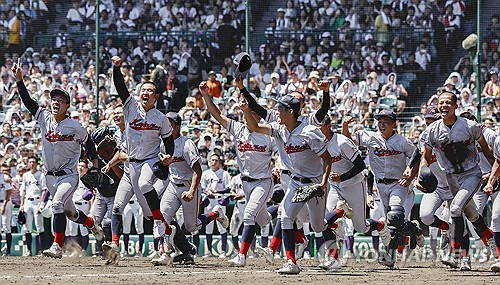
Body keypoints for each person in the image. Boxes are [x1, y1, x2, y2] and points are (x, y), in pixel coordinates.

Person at [12, 58, 103, 259]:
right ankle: (91, 224)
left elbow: (88, 143)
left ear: (67, 106)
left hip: (69, 176)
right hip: (50, 177)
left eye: (60, 100)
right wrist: (19, 80)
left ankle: (56, 246)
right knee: (70, 212)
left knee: (56, 205)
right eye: (54, 99)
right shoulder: (44, 117)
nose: (55, 102)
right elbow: (28, 102)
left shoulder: (75, 126)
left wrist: (94, 166)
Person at [243, 94, 332, 275]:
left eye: (280, 109)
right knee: (285, 216)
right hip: (295, 181)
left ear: (290, 112)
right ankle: (291, 262)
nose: (276, 111)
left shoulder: (310, 131)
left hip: (314, 184)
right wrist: (246, 111)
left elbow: (327, 159)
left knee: (317, 226)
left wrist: (323, 183)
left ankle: (337, 214)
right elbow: (254, 127)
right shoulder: (279, 129)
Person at [108, 55, 176, 263]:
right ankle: (166, 230)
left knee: (145, 184)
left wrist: (169, 156)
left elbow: (168, 141)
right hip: (131, 165)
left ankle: (164, 248)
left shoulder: (161, 118)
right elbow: (120, 86)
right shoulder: (130, 107)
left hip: (150, 161)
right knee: (145, 214)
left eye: (150, 91)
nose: (145, 93)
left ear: (156, 97)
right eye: (143, 90)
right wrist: (116, 68)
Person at [201, 80, 276, 267]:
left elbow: (282, 153)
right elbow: (217, 115)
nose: (244, 114)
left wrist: (279, 166)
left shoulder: (269, 134)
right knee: (263, 218)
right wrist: (205, 95)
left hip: (263, 182)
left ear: (258, 115)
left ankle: (241, 255)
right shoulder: (239, 129)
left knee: (249, 214)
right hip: (246, 182)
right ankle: (283, 216)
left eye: (249, 111)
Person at [418, 91, 496, 269]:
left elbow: (485, 148)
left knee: (455, 209)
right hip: (451, 177)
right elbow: (424, 156)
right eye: (441, 103)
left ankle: (455, 254)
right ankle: (490, 239)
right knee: (471, 215)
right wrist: (423, 171)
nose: (444, 105)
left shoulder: (470, 125)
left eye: (447, 102)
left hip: (471, 174)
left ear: (455, 106)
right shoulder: (432, 131)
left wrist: (493, 174)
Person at [343, 109, 424, 267]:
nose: (382, 124)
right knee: (392, 222)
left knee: (394, 216)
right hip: (379, 185)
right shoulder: (370, 136)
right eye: (380, 121)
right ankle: (414, 228)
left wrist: (411, 176)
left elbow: (418, 155)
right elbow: (348, 141)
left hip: (398, 184)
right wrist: (345, 126)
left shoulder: (402, 142)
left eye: (386, 121)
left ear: (394, 124)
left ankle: (389, 256)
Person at [154, 111, 228, 265]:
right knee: (161, 218)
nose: (166, 127)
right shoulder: (163, 143)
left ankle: (216, 213)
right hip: (173, 185)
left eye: (170, 124)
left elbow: (198, 171)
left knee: (191, 226)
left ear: (177, 127)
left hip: (189, 185)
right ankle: (165, 254)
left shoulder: (186, 144)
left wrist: (192, 191)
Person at [19, 156, 45, 256]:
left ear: (37, 163)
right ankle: (29, 251)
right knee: (27, 227)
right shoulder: (25, 175)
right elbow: (23, 191)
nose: (32, 164)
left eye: (33, 162)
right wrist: (21, 205)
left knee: (39, 227)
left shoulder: (41, 175)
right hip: (27, 202)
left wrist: (41, 204)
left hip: (37, 201)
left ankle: (41, 251)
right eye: (30, 162)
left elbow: (44, 190)